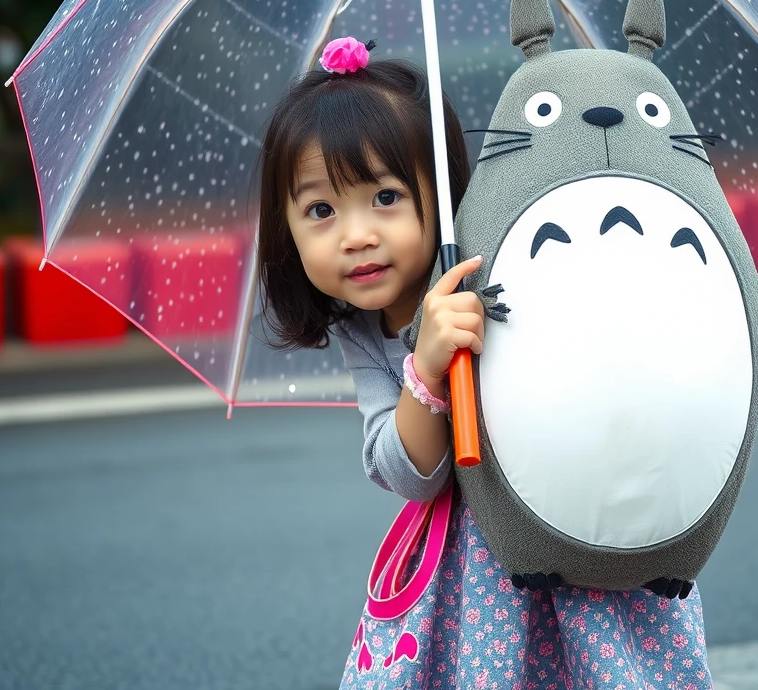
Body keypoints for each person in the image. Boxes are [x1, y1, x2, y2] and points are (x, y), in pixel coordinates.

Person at [256, 36, 713, 690]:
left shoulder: (509, 261)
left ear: (438, 193)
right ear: (288, 231)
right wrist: (428, 370)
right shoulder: (364, 332)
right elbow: (407, 472)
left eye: (384, 197)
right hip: (473, 582)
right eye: (321, 211)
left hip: (572, 521)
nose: (356, 234)